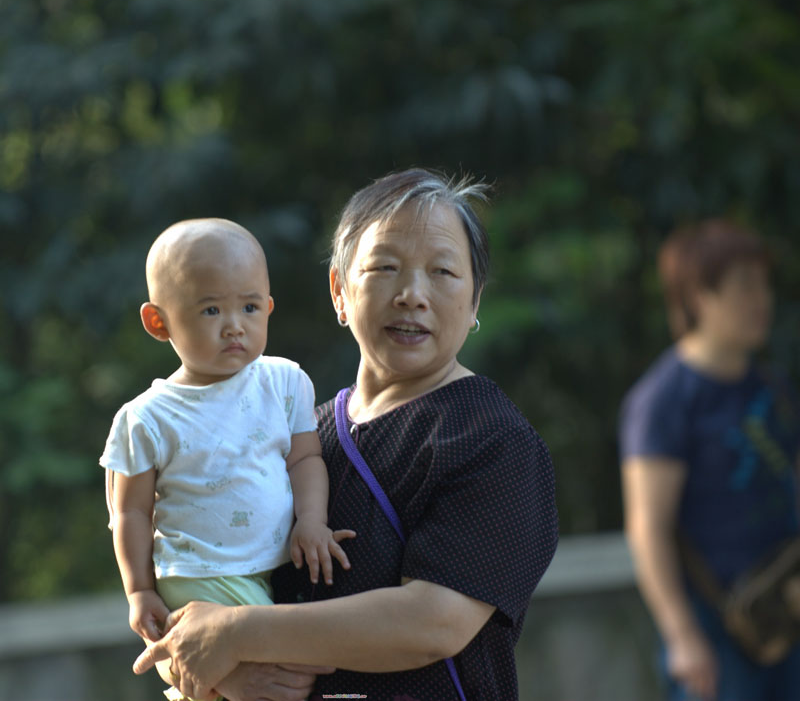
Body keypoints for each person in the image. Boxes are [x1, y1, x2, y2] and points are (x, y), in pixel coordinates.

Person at [131, 168, 559, 701]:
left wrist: (235, 634)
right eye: (385, 267)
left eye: (443, 272)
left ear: (474, 302)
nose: (412, 294)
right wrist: (221, 670)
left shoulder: (494, 442)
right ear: (339, 290)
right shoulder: (294, 438)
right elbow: (193, 588)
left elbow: (433, 623)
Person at [100, 218, 354, 698]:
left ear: (269, 309)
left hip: (267, 567)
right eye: (211, 309)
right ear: (159, 321)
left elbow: (305, 460)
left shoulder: (284, 383)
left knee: (249, 676)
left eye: (250, 307)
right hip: (200, 573)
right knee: (287, 673)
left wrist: (312, 522)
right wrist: (139, 591)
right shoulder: (147, 418)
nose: (235, 324)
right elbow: (129, 511)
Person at [619, 219, 800, 701]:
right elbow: (647, 529)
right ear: (699, 297)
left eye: (763, 284)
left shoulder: (774, 388)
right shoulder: (664, 400)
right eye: (744, 287)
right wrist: (682, 638)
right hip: (714, 629)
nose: (762, 300)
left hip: (789, 613)